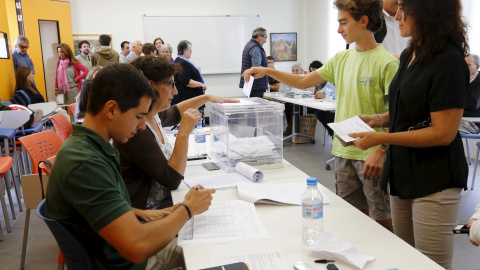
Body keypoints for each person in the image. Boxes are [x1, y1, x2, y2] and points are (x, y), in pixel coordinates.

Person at [243, 0, 397, 232]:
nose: (338, 29)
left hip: (372, 156)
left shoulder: (387, 63)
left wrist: (381, 149)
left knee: (383, 219)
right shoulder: (341, 59)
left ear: (363, 21)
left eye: (343, 22)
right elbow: (305, 81)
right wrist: (268, 71)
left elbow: (396, 114)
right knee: (351, 217)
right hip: (343, 151)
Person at [45, 63, 215, 270]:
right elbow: (138, 246)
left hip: (121, 252)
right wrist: (188, 209)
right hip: (130, 263)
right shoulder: (84, 163)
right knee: (209, 252)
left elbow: (94, 207)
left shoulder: (89, 147)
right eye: (138, 116)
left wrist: (136, 212)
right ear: (111, 109)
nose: (142, 126)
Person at [348, 0, 469, 268]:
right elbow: (409, 110)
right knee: (406, 259)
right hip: (403, 173)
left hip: (434, 178)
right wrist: (377, 119)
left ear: (428, 11)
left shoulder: (448, 60)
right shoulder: (410, 53)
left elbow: (442, 133)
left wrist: (382, 138)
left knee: (429, 264)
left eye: (404, 8)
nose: (397, 15)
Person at [114, 56, 237, 210]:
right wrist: (183, 133)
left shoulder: (152, 116)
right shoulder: (138, 130)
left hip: (166, 203)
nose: (175, 91)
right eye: (171, 84)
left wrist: (206, 98)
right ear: (152, 87)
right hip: (150, 211)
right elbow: (171, 180)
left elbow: (175, 112)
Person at [172, 40, 206, 107]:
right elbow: (186, 81)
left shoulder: (180, 61)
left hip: (188, 100)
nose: (191, 52)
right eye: (190, 50)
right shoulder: (182, 63)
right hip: (188, 101)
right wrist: (201, 84)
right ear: (184, 51)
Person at [239, 27, 269, 98]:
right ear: (259, 37)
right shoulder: (255, 48)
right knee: (256, 108)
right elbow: (256, 67)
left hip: (251, 84)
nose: (265, 40)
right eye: (265, 38)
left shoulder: (249, 45)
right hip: (256, 85)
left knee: (251, 107)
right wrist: (269, 71)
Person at [459, 54, 480, 134]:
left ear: (477, 67)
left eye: (468, 65)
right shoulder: (458, 80)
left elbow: (472, 103)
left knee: (445, 131)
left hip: (474, 122)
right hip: (458, 118)